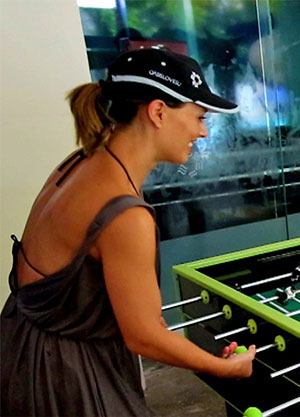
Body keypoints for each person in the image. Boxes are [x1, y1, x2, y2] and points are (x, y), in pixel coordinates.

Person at [0, 48, 256, 416]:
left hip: (25, 349)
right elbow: (143, 336)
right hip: (71, 377)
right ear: (157, 112)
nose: (202, 131)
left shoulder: (78, 162)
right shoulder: (126, 215)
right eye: (199, 116)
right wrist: (223, 367)